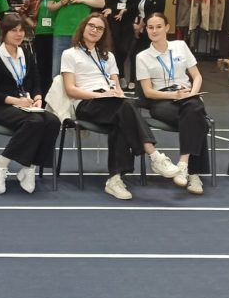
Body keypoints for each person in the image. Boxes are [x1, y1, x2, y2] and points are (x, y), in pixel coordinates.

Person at [62, 14, 180, 200]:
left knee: (122, 116)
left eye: (100, 28)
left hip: (112, 103)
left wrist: (116, 92)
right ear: (83, 27)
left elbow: (116, 84)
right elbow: (70, 90)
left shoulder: (108, 56)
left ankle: (115, 179)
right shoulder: (70, 54)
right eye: (91, 26)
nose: (94, 30)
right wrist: (100, 95)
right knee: (125, 109)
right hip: (87, 103)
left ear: (104, 33)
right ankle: (154, 155)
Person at [0, 13, 61, 195]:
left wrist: (38, 97)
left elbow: (36, 80)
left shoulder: (26, 54)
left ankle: (29, 166)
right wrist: (17, 100)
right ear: (4, 32)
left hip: (26, 105)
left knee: (53, 121)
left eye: (21, 30)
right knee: (35, 122)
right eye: (14, 31)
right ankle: (0, 164)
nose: (19, 34)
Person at [135, 13, 210, 195]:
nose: (154, 31)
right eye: (150, 27)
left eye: (159, 26)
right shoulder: (142, 57)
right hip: (161, 101)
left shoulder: (180, 46)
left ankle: (183, 165)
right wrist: (173, 95)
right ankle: (193, 173)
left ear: (167, 27)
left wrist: (192, 93)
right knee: (197, 117)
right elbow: (148, 92)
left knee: (193, 108)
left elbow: (197, 76)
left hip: (187, 97)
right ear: (146, 30)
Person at [102, 0, 144, 87]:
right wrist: (114, 10)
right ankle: (121, 76)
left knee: (124, 48)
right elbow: (110, 2)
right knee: (117, 47)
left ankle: (121, 74)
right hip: (115, 19)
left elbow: (136, 2)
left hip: (129, 18)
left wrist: (125, 10)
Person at [18, 0, 56, 94]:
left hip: (56, 35)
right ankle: (42, 95)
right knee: (40, 67)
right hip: (40, 35)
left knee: (53, 67)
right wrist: (32, 23)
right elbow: (22, 11)